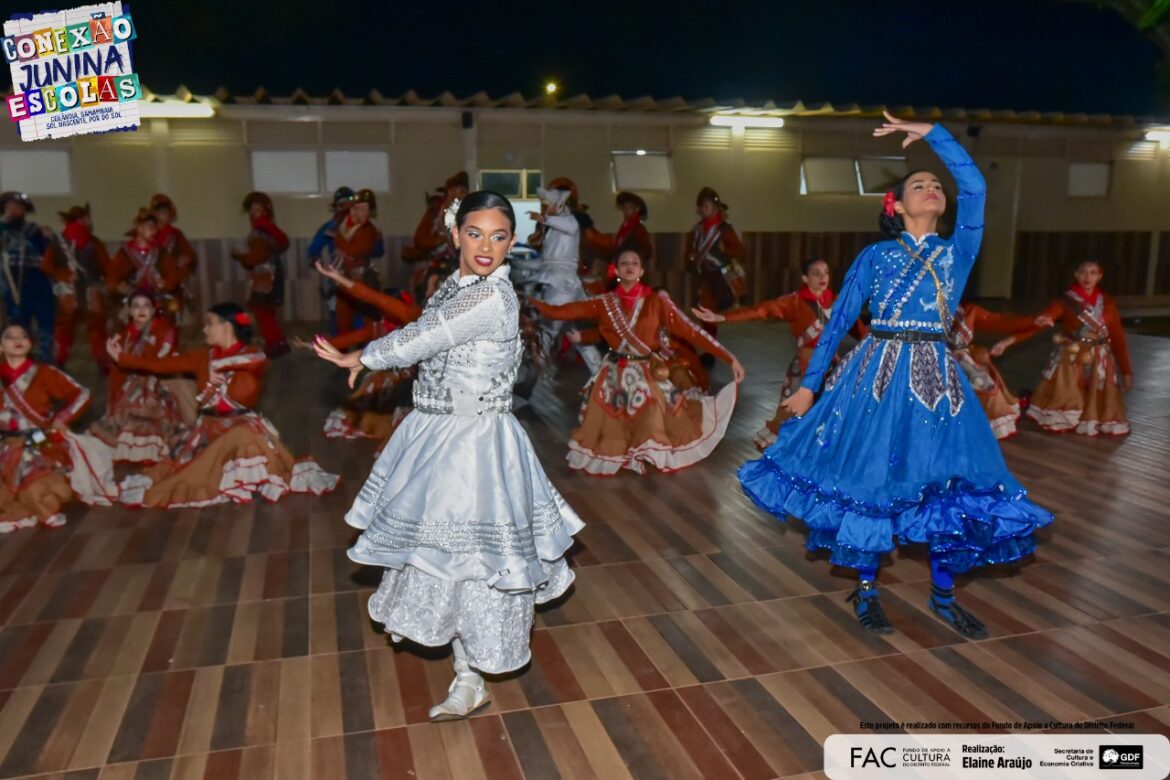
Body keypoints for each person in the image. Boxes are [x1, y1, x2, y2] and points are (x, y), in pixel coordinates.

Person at [738, 114, 1052, 639]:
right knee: (872, 481)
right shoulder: (876, 256)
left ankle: (944, 596)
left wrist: (935, 135)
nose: (931, 188)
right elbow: (838, 322)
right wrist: (811, 384)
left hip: (936, 381)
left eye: (935, 185)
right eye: (918, 185)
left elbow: (974, 183)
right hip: (876, 375)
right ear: (898, 207)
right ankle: (865, 591)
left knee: (947, 488)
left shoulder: (958, 253)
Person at [312, 191, 582, 721]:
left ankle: (471, 674)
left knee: (475, 564)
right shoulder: (457, 288)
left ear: (512, 242)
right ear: (456, 234)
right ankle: (466, 674)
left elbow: (425, 336)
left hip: (476, 444)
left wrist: (364, 358)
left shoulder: (493, 298)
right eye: (476, 233)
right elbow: (419, 322)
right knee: (442, 558)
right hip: (440, 436)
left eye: (499, 236)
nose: (487, 246)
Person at [532, 248, 746, 475]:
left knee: (652, 411)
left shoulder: (657, 302)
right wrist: (527, 300)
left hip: (646, 371)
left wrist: (729, 358)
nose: (630, 266)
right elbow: (560, 312)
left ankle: (648, 452)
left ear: (641, 270)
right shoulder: (604, 303)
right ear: (616, 270)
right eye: (624, 262)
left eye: (635, 262)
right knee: (608, 415)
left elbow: (692, 331)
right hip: (614, 371)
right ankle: (622, 449)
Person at [107, 302, 338, 508]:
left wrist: (220, 364)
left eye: (210, 323)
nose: (204, 329)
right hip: (209, 429)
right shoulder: (202, 357)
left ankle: (246, 480)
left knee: (239, 436)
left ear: (227, 327)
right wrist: (124, 359)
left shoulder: (250, 355)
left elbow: (257, 360)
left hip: (243, 430)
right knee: (183, 472)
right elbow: (160, 365)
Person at [694, 256, 867, 450]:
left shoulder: (837, 301)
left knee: (839, 405)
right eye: (816, 273)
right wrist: (723, 317)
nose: (822, 277)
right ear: (804, 278)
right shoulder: (794, 302)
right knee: (795, 407)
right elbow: (760, 311)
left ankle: (829, 444)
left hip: (833, 365)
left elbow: (858, 328)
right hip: (806, 366)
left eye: (826, 272)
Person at [1, 323, 117, 532]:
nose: (18, 340)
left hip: (39, 442)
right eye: (10, 337)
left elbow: (82, 394)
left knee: (38, 487)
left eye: (23, 336)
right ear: (1, 346)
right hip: (5, 445)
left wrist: (63, 418)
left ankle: (39, 504)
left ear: (30, 343)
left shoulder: (45, 373)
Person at [300, 261, 422, 444]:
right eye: (384, 310)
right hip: (392, 374)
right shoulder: (379, 327)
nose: (386, 310)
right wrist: (313, 345)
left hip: (420, 376)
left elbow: (374, 298)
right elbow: (350, 338)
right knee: (373, 383)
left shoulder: (414, 317)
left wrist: (340, 278)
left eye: (389, 306)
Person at [1019, 260, 1132, 436]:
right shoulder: (1066, 300)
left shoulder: (1107, 302)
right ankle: (1067, 418)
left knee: (1098, 388)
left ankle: (1091, 418)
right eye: (1083, 272)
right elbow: (1052, 312)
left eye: (1093, 273)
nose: (1088, 277)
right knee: (1069, 387)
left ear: (1099, 276)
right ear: (1076, 275)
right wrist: (1046, 317)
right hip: (1073, 353)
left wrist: (1126, 371)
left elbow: (1117, 336)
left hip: (1100, 354)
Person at [89, 292, 187, 462]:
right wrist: (111, 406)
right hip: (132, 384)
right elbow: (117, 372)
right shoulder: (125, 335)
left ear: (154, 309)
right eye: (136, 306)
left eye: (146, 305)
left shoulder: (165, 331)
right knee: (123, 409)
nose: (141, 310)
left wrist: (150, 392)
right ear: (129, 311)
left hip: (161, 382)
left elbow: (159, 364)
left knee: (147, 408)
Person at [527, 180, 602, 375]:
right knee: (575, 332)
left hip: (563, 285)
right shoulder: (553, 228)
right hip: (561, 283)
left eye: (548, 204)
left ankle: (530, 379)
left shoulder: (569, 221)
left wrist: (544, 219)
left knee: (546, 330)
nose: (545, 208)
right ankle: (601, 374)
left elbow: (571, 227)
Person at [950, 302, 1052, 440]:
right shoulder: (923, 306)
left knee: (985, 386)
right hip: (927, 357)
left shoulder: (967, 310)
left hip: (959, 358)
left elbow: (998, 321)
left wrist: (1031, 321)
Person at [45, 203, 114, 369]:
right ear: (82, 219)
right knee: (96, 325)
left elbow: (47, 266)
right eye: (87, 218)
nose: (90, 221)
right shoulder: (93, 242)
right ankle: (102, 361)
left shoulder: (57, 242)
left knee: (64, 327)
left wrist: (64, 275)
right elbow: (108, 267)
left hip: (69, 290)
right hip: (89, 289)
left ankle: (60, 360)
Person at [231, 192, 290, 357]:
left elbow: (257, 256)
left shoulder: (259, 231)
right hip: (270, 273)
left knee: (262, 311)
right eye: (252, 209)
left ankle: (275, 345)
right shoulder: (269, 229)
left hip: (265, 275)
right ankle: (278, 343)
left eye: (257, 209)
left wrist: (241, 256)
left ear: (265, 211)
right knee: (266, 311)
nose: (254, 213)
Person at [687, 187, 747, 341]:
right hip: (704, 274)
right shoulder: (698, 229)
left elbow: (740, 251)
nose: (708, 210)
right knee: (704, 306)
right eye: (704, 206)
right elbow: (691, 249)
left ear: (716, 208)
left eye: (710, 207)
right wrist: (690, 257)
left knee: (708, 306)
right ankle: (709, 340)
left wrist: (725, 249)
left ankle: (710, 342)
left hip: (720, 276)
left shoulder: (724, 229)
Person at [0, 192, 54, 362]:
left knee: (45, 325)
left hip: (38, 284)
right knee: (17, 326)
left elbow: (48, 256)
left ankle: (47, 363)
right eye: (10, 207)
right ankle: (21, 362)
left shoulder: (35, 232)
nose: (14, 210)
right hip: (12, 286)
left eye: (18, 207)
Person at [106, 208, 183, 309]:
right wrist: (118, 287)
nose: (154, 231)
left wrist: (166, 283)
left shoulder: (160, 252)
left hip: (156, 299)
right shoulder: (125, 252)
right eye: (150, 227)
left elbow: (173, 273)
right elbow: (112, 275)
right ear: (139, 228)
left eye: (155, 227)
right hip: (132, 299)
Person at [332, 189, 384, 334]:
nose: (363, 212)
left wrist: (344, 248)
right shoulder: (343, 228)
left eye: (366, 208)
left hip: (363, 278)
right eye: (358, 208)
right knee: (343, 317)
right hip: (345, 277)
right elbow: (339, 244)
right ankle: (343, 350)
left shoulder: (369, 230)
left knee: (369, 317)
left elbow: (355, 250)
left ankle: (370, 349)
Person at [308, 186, 356, 333]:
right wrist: (318, 263)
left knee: (362, 312)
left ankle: (364, 349)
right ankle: (339, 349)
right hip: (338, 275)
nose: (346, 209)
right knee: (337, 315)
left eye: (350, 205)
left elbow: (378, 249)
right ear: (336, 207)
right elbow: (313, 250)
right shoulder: (329, 227)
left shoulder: (364, 226)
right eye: (342, 205)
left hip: (360, 274)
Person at [151, 194, 198, 319]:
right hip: (151, 286)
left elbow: (190, 255)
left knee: (172, 321)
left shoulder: (176, 235)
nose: (161, 215)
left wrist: (186, 259)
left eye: (164, 212)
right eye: (158, 212)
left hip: (173, 286)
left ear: (170, 215)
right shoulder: (147, 234)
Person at [584, 191, 653, 265]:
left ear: (636, 209)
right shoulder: (625, 227)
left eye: (628, 207)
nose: (625, 211)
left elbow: (646, 251)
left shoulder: (638, 229)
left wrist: (634, 262)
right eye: (624, 208)